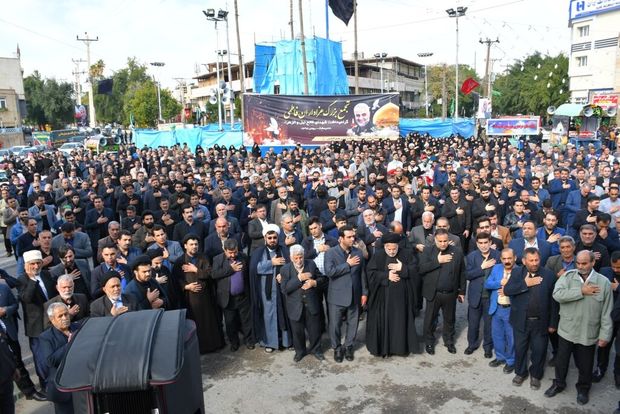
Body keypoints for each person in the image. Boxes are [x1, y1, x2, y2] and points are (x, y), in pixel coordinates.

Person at [545, 250, 614, 405]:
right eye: (578, 263)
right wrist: (581, 291)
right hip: (566, 330)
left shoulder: (603, 283)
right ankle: (559, 384)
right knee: (561, 361)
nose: (581, 266)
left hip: (588, 332)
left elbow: (606, 312)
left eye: (585, 263)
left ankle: (583, 389)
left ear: (592, 263)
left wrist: (605, 335)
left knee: (585, 364)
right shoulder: (567, 277)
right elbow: (557, 295)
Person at [504, 248, 557, 389]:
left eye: (536, 260)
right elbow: (507, 290)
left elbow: (554, 302)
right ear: (524, 261)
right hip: (521, 321)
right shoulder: (516, 273)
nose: (534, 263)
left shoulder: (549, 275)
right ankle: (520, 373)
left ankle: (536, 375)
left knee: (539, 351)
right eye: (531, 260)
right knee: (520, 349)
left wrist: (553, 323)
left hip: (541, 322)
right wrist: (525, 284)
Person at [366, 232, 420, 357]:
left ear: (398, 246)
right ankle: (385, 348)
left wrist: (403, 268)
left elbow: (416, 270)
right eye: (388, 249)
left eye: (394, 249)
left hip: (402, 298)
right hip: (383, 298)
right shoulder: (378, 255)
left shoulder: (406, 254)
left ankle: (400, 348)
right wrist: (386, 276)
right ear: (384, 247)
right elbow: (370, 274)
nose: (391, 252)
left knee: (400, 322)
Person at [173, 234, 224, 354]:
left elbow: (210, 273)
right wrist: (186, 286)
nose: (194, 246)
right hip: (191, 298)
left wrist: (195, 270)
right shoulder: (180, 261)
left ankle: (213, 345)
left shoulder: (203, 257)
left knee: (208, 322)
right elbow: (176, 279)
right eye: (191, 244)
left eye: (196, 244)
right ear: (185, 246)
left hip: (205, 296)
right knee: (196, 323)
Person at [419, 228, 466, 355]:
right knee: (429, 319)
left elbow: (462, 272)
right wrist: (437, 261)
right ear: (435, 240)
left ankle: (449, 341)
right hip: (433, 293)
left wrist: (462, 291)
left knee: (449, 319)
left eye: (445, 241)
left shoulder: (457, 252)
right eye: (440, 241)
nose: (443, 243)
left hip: (450, 293)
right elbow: (421, 269)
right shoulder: (428, 251)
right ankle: (429, 342)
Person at [324, 225, 366, 362]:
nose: (352, 239)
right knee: (335, 325)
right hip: (337, 296)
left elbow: (362, 274)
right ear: (340, 238)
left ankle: (348, 346)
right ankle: (336, 348)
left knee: (353, 323)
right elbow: (330, 272)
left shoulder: (358, 253)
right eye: (349, 237)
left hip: (355, 294)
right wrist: (347, 265)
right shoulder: (330, 253)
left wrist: (364, 293)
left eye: (353, 236)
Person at [17, 249, 57, 392]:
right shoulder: (22, 280)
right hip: (36, 326)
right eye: (32, 264)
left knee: (54, 353)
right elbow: (26, 298)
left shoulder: (47, 275)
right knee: (41, 359)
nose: (35, 267)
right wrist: (32, 279)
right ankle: (45, 386)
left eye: (38, 263)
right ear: (26, 265)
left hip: (52, 322)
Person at [279, 244, 326, 362]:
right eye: (296, 258)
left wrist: (314, 283)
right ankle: (300, 351)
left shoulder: (311, 264)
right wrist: (300, 278)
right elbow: (285, 289)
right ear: (291, 257)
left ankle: (316, 350)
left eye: (301, 257)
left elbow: (322, 279)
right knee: (297, 332)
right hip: (295, 307)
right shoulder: (285, 269)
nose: (299, 260)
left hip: (311, 304)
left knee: (314, 330)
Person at [249, 224, 292, 353]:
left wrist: (283, 275)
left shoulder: (284, 250)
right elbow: (253, 269)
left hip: (282, 290)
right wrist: (271, 263)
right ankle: (270, 343)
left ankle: (286, 341)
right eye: (270, 238)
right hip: (266, 292)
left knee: (284, 314)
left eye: (275, 237)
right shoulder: (258, 252)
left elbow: (291, 267)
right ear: (265, 238)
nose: (272, 240)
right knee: (269, 317)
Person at [0, 278, 43, 401]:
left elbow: (14, 304)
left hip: (9, 333)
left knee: (18, 362)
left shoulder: (3, 289)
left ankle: (30, 392)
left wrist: (5, 310)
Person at [211, 238, 255, 351]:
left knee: (246, 321)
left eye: (235, 252)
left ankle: (249, 340)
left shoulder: (243, 257)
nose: (233, 255)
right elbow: (214, 274)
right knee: (230, 322)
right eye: (230, 252)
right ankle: (234, 343)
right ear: (224, 250)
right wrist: (231, 269)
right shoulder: (217, 259)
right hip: (227, 298)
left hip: (243, 296)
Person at [36, 302, 80, 414]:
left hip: (81, 384)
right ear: (52, 319)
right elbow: (50, 361)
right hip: (62, 388)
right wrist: (69, 344)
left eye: (66, 314)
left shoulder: (78, 328)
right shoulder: (46, 337)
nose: (65, 318)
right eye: (60, 316)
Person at [465, 232, 501, 357]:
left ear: (490, 242)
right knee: (473, 323)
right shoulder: (471, 256)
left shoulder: (497, 255)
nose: (483, 245)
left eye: (486, 242)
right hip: (475, 295)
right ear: (477, 243)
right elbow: (468, 275)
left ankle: (487, 347)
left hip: (491, 296)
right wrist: (482, 267)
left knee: (489, 324)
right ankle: (472, 345)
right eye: (480, 243)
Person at [485, 248, 518, 375]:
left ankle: (511, 361)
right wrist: (500, 283)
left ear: (514, 258)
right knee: (497, 335)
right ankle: (500, 357)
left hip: (511, 309)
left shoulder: (519, 271)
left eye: (509, 258)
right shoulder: (497, 268)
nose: (507, 261)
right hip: (497, 307)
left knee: (511, 337)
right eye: (504, 258)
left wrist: (508, 286)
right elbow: (488, 284)